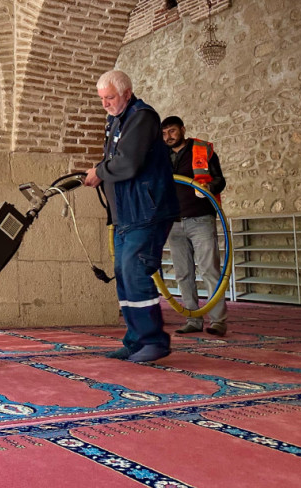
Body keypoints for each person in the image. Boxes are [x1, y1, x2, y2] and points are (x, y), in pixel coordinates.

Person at [84, 70, 179, 363]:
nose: (105, 104)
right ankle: (135, 341)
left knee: (135, 270)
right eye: (101, 99)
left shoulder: (142, 117)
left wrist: (99, 172)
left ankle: (153, 341)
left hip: (146, 212)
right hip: (126, 215)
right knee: (124, 274)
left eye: (109, 97)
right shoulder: (116, 121)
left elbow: (128, 163)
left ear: (126, 93)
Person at [161, 116, 228, 336]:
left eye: (172, 131)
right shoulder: (161, 155)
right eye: (164, 133)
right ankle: (193, 319)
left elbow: (220, 180)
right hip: (174, 223)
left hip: (200, 219)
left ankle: (217, 320)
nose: (168, 137)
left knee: (210, 270)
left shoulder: (201, 150)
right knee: (183, 273)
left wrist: (208, 185)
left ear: (182, 130)